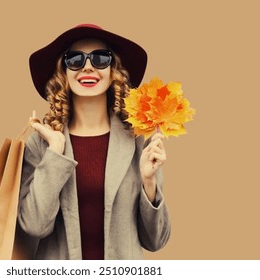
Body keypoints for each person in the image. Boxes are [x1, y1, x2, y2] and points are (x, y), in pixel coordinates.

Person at [18, 24, 171, 260]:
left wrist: (149, 183)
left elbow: (156, 240)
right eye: (75, 59)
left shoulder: (139, 141)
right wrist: (55, 154)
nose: (88, 67)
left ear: (113, 71)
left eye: (100, 58)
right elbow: (34, 226)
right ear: (63, 72)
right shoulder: (41, 143)